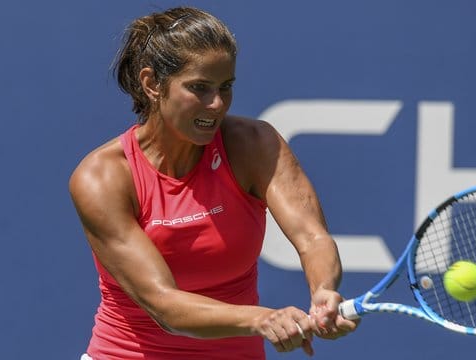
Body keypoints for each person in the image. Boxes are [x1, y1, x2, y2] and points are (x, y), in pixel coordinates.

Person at [69, 6, 358, 360]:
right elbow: (166, 305)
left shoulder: (253, 145)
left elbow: (313, 237)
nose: (216, 104)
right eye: (199, 88)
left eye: (226, 87)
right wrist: (264, 318)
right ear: (152, 84)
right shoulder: (102, 177)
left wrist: (323, 291)